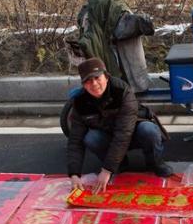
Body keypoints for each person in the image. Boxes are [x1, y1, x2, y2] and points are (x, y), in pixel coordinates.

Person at [66, 57, 173, 193]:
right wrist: (74, 174)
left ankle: (155, 163)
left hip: (133, 132)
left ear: (106, 77)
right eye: (88, 81)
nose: (94, 84)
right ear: (83, 85)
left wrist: (106, 170)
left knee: (149, 130)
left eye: (97, 78)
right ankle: (120, 165)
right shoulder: (80, 102)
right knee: (90, 138)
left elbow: (123, 133)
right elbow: (75, 140)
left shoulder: (122, 91)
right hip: (107, 135)